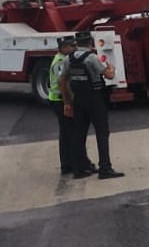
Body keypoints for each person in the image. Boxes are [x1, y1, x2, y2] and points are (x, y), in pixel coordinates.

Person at [59, 32, 124, 179]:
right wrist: (111, 68)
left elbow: (62, 81)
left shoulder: (69, 59)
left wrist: (67, 102)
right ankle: (105, 168)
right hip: (94, 100)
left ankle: (79, 169)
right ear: (90, 42)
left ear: (78, 43)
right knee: (102, 133)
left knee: (79, 134)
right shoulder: (92, 58)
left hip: (78, 100)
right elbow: (108, 75)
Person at [47, 36, 93, 176]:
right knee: (74, 133)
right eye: (71, 46)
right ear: (63, 47)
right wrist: (69, 102)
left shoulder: (60, 59)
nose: (74, 48)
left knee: (66, 134)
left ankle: (67, 164)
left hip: (58, 100)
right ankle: (77, 165)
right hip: (61, 101)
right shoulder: (61, 61)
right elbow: (64, 83)